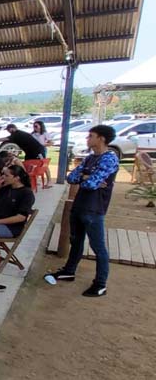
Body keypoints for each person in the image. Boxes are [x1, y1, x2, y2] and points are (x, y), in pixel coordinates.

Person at [47, 125, 119, 297]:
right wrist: (86, 177)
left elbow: (91, 183)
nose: (88, 139)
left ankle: (100, 284)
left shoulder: (109, 159)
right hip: (79, 206)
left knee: (98, 247)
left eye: (91, 136)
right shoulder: (89, 158)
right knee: (76, 241)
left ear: (101, 138)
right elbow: (71, 178)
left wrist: (87, 178)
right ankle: (69, 270)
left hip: (94, 209)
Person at [0, 164, 35, 239]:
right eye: (4, 175)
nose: (3, 177)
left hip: (11, 227)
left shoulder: (26, 193)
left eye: (7, 176)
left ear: (17, 178)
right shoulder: (4, 189)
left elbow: (21, 217)